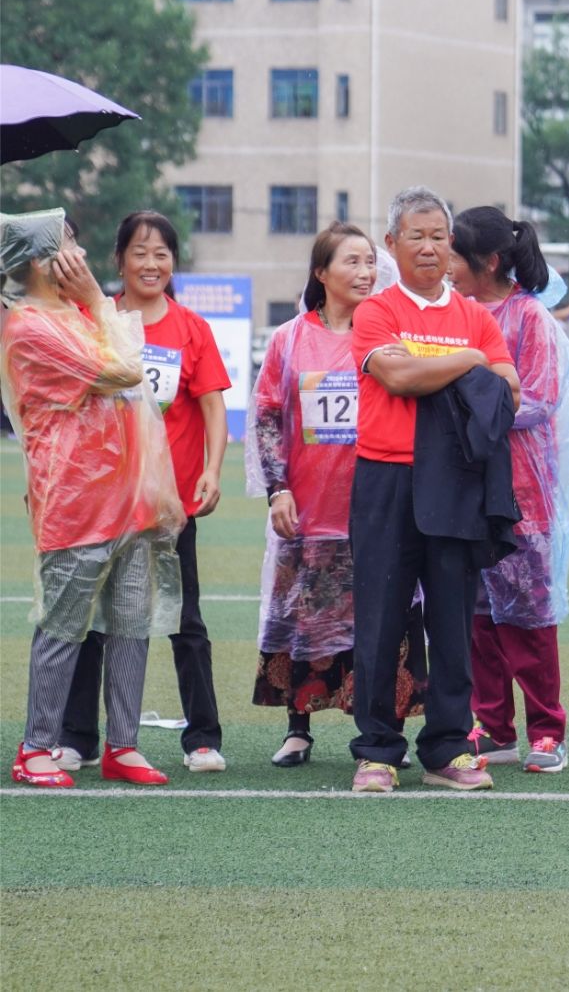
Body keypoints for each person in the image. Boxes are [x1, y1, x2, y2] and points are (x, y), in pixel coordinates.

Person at [347, 186, 520, 793]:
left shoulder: (474, 315)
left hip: (456, 485)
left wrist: (455, 363)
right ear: (391, 245)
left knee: (452, 621)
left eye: (438, 236)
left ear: (452, 246)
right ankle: (376, 751)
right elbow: (393, 374)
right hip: (386, 478)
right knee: (380, 621)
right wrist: (467, 361)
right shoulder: (377, 310)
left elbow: (508, 390)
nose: (428, 247)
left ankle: (449, 746)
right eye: (415, 236)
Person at [2, 209, 184, 788]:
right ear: (39, 260)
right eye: (70, 242)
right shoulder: (30, 327)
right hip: (78, 501)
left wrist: (94, 305)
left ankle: (123, 744)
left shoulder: (77, 313)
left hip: (130, 497)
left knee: (132, 622)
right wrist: (101, 305)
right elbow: (125, 370)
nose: (79, 252)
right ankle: (36, 748)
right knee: (62, 626)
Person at [57, 211, 232, 775]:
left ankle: (202, 739)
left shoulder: (192, 329)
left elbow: (211, 408)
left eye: (161, 253)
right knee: (91, 620)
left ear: (173, 262)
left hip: (168, 505)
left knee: (187, 622)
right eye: (139, 252)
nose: (151, 263)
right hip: (101, 504)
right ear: (119, 260)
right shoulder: (92, 316)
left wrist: (212, 469)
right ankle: (79, 738)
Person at [246, 222, 427, 766]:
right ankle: (297, 728)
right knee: (301, 615)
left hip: (380, 506)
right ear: (321, 273)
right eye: (351, 262)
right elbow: (268, 416)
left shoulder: (390, 335)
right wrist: (277, 489)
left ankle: (382, 732)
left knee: (386, 615)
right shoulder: (289, 339)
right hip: (309, 508)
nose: (365, 272)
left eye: (370, 261)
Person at [449, 206, 569, 773]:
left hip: (522, 488)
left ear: (489, 261)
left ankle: (548, 730)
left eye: (455, 254)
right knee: (477, 613)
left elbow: (541, 398)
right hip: (462, 485)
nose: (445, 264)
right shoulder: (451, 314)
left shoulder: (529, 318)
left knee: (528, 615)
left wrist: (473, 409)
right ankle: (493, 726)